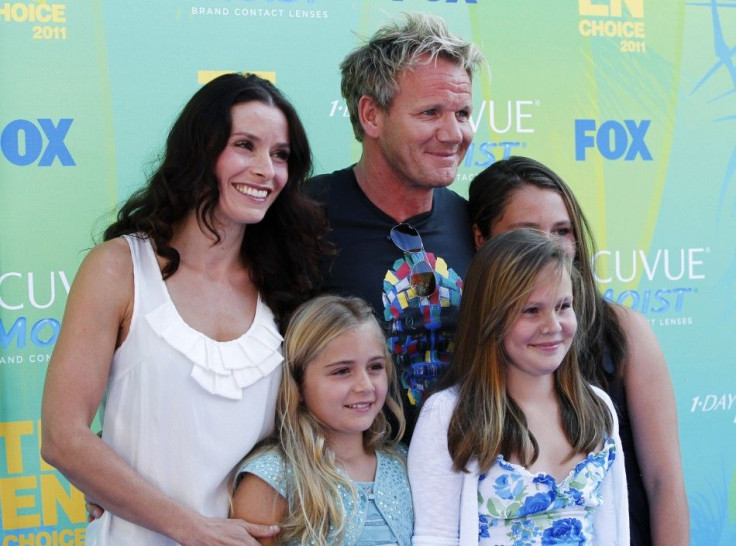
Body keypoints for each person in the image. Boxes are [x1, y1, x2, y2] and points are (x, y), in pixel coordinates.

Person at [40, 73, 330, 545]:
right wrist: (193, 530)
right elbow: (62, 437)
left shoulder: (285, 286)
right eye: (245, 145)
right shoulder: (120, 268)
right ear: (201, 150)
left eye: (280, 155)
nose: (266, 169)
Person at [468, 156, 689, 545]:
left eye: (562, 230)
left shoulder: (622, 331)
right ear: (481, 239)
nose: (549, 246)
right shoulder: (473, 356)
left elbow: (663, 483)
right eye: (528, 231)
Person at [307, 13, 485, 436]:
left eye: (462, 113)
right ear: (371, 115)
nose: (453, 133)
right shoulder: (302, 218)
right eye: (430, 113)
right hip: (345, 490)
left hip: (463, 480)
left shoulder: (476, 223)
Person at [409, 229, 629, 545]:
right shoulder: (448, 414)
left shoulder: (598, 407)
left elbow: (615, 529)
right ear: (490, 317)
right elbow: (434, 537)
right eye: (531, 310)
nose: (553, 326)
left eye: (563, 306)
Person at [231, 295, 412, 545]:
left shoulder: (404, 463)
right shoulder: (272, 478)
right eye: (342, 371)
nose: (365, 385)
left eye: (375, 367)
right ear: (299, 382)